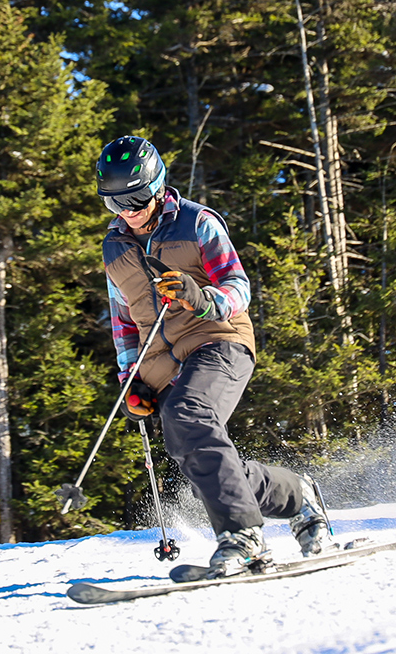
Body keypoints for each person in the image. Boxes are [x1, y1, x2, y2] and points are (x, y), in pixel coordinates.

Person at [96, 134, 334, 577]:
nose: (128, 210)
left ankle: (242, 535)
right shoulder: (115, 249)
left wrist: (199, 297)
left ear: (157, 185)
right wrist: (132, 379)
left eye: (136, 197)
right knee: (198, 457)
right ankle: (297, 495)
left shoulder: (197, 223)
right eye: (115, 203)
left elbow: (238, 289)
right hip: (161, 363)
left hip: (218, 338)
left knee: (190, 414)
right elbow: (123, 323)